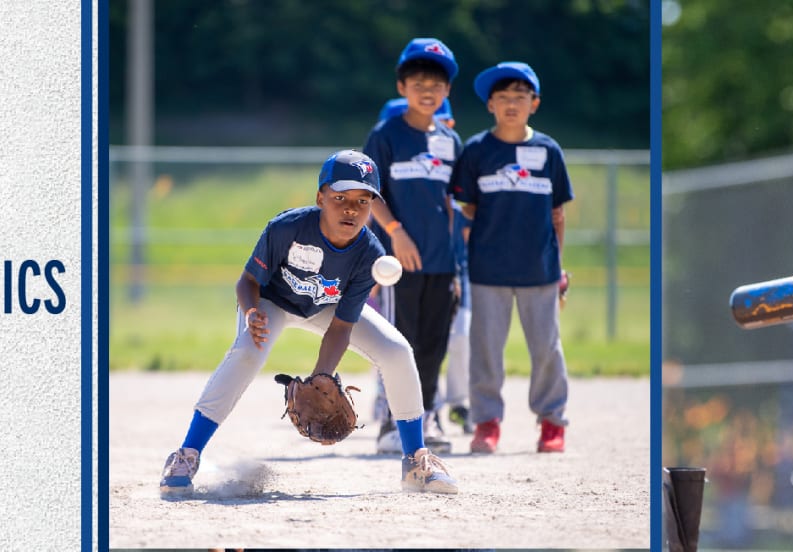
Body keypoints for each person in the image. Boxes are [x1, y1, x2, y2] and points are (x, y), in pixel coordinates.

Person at [159, 150, 458, 497]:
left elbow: (342, 327)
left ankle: (416, 459)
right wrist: (251, 312)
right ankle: (186, 454)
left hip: (326, 307)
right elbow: (247, 282)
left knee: (396, 351)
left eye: (363, 201)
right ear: (320, 197)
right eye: (340, 198)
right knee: (246, 353)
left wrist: (322, 375)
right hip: (271, 302)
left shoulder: (369, 254)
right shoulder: (287, 227)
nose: (351, 208)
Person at [450, 61, 573, 454]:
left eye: (520, 97)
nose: (511, 105)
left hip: (540, 269)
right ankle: (486, 422)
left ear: (534, 104)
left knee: (547, 348)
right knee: (485, 349)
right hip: (488, 269)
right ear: (490, 105)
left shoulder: (548, 150)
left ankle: (552, 422)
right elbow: (465, 209)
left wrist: (559, 267)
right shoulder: (477, 150)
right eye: (502, 98)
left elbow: (558, 214)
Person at [362, 38, 463, 454]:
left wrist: (458, 263)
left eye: (436, 83)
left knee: (435, 343)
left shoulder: (451, 143)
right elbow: (369, 191)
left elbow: (456, 205)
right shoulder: (386, 134)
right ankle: (391, 420)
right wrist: (396, 231)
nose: (427, 89)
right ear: (402, 87)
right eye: (418, 81)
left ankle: (428, 415)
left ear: (447, 92)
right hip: (397, 263)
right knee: (400, 343)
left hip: (441, 262)